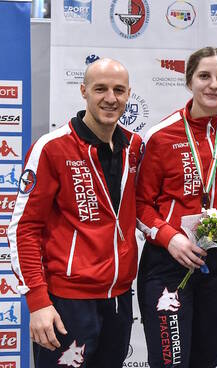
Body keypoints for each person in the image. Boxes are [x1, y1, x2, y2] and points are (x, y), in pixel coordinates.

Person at [8, 58, 141, 367]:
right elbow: (23, 228)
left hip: (119, 299)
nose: (110, 98)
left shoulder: (135, 146)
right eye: (100, 89)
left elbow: (144, 209)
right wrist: (38, 301)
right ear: (84, 91)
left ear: (128, 94)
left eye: (119, 90)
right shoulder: (52, 148)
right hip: (67, 302)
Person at [136, 46, 217, 368]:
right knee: (170, 359)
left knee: (206, 358)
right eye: (204, 76)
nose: (213, 85)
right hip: (169, 261)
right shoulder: (160, 136)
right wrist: (169, 238)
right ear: (189, 81)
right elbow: (140, 205)